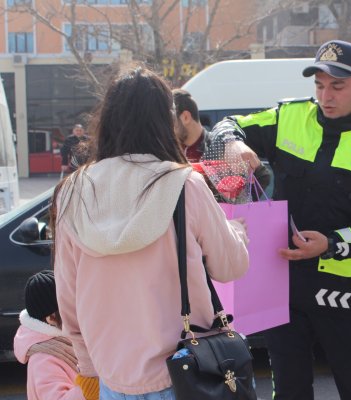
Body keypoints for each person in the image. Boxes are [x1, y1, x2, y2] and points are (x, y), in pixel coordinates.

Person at [209, 39, 351, 399]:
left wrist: (331, 243)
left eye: (337, 86)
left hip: (344, 292)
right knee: (289, 390)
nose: (326, 96)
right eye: (319, 85)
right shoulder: (289, 117)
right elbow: (223, 127)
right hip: (283, 285)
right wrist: (234, 145)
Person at [51, 65, 249, 399]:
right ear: (164, 120)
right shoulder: (184, 183)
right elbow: (231, 267)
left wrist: (88, 366)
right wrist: (237, 230)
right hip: (188, 371)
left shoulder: (73, 190)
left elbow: (67, 295)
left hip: (112, 375)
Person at [13, 270, 89, 400]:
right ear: (51, 318)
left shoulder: (64, 339)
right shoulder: (43, 360)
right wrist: (93, 385)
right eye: (69, 308)